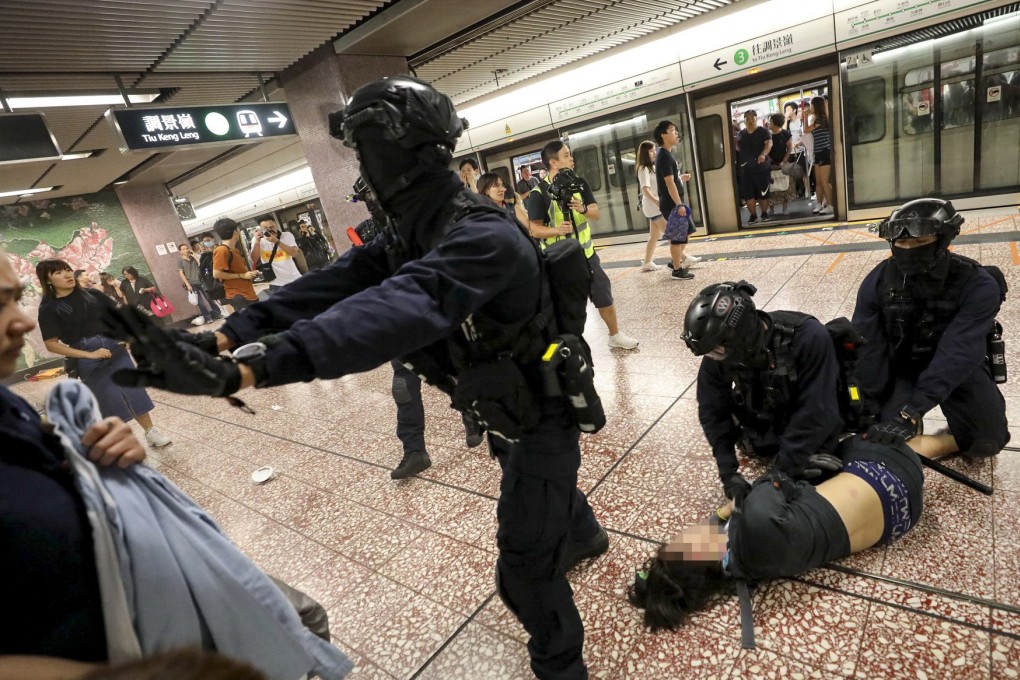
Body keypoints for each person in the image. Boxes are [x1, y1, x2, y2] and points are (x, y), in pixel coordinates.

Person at [105, 75, 609, 680]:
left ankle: (562, 666)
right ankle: (581, 533)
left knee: (525, 569)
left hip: (543, 415)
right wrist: (218, 337)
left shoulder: (482, 234)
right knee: (530, 482)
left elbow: (399, 307)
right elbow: (328, 287)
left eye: (366, 153)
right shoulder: (410, 231)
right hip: (505, 406)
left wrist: (247, 368)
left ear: (403, 152)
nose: (362, 171)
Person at [2, 257, 347, 680]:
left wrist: (94, 445)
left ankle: (146, 428)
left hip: (144, 569)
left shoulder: (9, 404)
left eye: (16, 301)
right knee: (297, 626)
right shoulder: (51, 312)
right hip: (120, 639)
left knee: (305, 618)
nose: (18, 321)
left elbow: (43, 453)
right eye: (0, 304)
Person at [629, 434, 928, 631]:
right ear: (697, 551)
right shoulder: (756, 519)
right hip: (886, 475)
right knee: (857, 435)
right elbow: (777, 479)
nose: (689, 530)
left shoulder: (744, 570)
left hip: (901, 521)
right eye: (683, 539)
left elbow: (722, 528)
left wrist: (719, 519)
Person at [852, 198, 1009, 460]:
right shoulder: (878, 281)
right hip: (902, 366)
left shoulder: (977, 285)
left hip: (958, 369)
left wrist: (912, 410)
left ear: (944, 239)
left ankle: (945, 438)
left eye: (920, 242)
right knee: (881, 437)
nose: (908, 248)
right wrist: (868, 406)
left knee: (987, 441)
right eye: (900, 243)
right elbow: (868, 349)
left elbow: (959, 353)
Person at [682, 280, 847, 506]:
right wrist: (728, 473)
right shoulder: (720, 351)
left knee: (816, 478)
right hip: (765, 424)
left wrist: (782, 471)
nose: (713, 358)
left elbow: (818, 408)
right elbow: (712, 408)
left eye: (717, 351)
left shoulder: (808, 336)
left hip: (811, 422)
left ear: (740, 335)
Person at [35, 259, 171, 448]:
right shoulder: (48, 308)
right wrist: (89, 356)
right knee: (107, 398)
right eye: (58, 272)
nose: (67, 274)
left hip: (115, 347)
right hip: (86, 354)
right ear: (47, 280)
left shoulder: (92, 294)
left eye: (67, 269)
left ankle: (151, 432)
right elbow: (52, 344)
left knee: (134, 391)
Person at [528, 140, 641, 349]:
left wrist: (582, 209)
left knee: (603, 294)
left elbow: (595, 213)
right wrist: (557, 230)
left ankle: (614, 336)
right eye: (567, 156)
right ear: (553, 162)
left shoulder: (580, 184)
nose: (571, 159)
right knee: (563, 306)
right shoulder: (538, 194)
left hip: (587, 255)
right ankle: (566, 343)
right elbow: (534, 229)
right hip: (558, 261)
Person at [653, 121, 698, 279]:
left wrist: (680, 178)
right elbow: (669, 183)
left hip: (674, 201)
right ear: (663, 135)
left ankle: (676, 261)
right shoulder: (664, 156)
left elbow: (672, 180)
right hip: (672, 202)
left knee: (687, 231)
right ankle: (677, 270)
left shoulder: (667, 155)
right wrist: (679, 204)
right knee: (678, 237)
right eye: (672, 130)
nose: (676, 133)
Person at [211, 218, 258, 311]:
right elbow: (216, 274)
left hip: (247, 293)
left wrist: (249, 274)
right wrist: (242, 275)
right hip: (238, 296)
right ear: (235, 231)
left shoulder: (234, 250)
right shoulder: (222, 250)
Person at [735, 110, 773, 224]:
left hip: (762, 167)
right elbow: (737, 146)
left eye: (752, 118)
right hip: (746, 170)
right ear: (744, 120)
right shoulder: (741, 134)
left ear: (756, 119)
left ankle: (764, 213)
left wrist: (763, 154)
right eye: (747, 118)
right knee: (748, 194)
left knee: (763, 192)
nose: (750, 120)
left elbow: (769, 143)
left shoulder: (764, 131)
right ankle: (753, 215)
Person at [250, 218, 303, 293]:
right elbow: (254, 259)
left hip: (294, 278)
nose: (270, 230)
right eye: (265, 228)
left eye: (272, 227)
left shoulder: (287, 235)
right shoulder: (257, 240)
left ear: (276, 226)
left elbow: (294, 253)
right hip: (275, 283)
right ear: (261, 229)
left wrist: (276, 241)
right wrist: (257, 242)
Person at [635, 140, 665, 272]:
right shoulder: (643, 169)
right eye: (652, 151)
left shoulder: (652, 168)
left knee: (654, 236)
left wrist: (681, 178)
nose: (655, 153)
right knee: (670, 232)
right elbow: (645, 190)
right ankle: (683, 257)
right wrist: (657, 202)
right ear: (645, 153)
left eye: (655, 150)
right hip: (653, 207)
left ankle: (647, 262)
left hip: (654, 206)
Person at [177, 242, 222, 326]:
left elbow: (201, 265)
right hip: (192, 284)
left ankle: (217, 314)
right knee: (200, 303)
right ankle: (208, 318)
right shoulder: (180, 261)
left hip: (201, 281)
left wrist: (193, 255)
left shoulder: (193, 257)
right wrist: (187, 284)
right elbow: (181, 273)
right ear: (180, 251)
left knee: (210, 298)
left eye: (187, 248)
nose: (186, 250)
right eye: (183, 249)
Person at [803, 96, 834, 216]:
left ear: (816, 106)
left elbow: (806, 130)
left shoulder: (821, 119)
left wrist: (805, 116)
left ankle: (830, 205)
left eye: (811, 105)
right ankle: (820, 203)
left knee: (824, 181)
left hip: (824, 151)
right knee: (818, 182)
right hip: (819, 152)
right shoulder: (818, 118)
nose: (810, 108)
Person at [766, 113, 795, 216]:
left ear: (776, 123)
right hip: (770, 164)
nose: (769, 123)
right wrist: (768, 159)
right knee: (771, 187)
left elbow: (790, 148)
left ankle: (785, 207)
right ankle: (771, 208)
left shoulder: (786, 134)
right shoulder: (767, 134)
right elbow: (765, 149)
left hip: (783, 162)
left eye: (770, 121)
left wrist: (784, 161)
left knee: (785, 185)